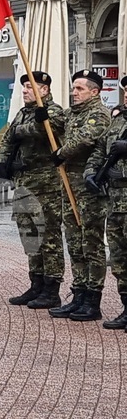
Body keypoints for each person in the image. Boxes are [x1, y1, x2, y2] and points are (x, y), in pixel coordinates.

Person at [0, 71, 67, 310]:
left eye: (29, 87)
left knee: (48, 236)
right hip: (23, 181)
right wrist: (2, 162)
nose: (24, 90)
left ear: (43, 90)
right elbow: (8, 139)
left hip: (45, 182)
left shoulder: (52, 111)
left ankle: (51, 288)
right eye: (24, 86)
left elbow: (45, 129)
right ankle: (35, 284)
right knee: (30, 236)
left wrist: (23, 129)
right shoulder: (22, 113)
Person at [47, 69, 113, 321]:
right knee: (74, 242)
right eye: (73, 88)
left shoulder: (98, 114)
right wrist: (45, 111)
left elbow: (83, 140)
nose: (74, 93)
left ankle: (92, 300)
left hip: (89, 188)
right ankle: (78, 294)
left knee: (91, 243)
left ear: (94, 92)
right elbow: (53, 124)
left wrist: (62, 152)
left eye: (79, 89)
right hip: (69, 185)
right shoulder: (73, 113)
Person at [87, 107, 127, 329]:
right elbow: (100, 149)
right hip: (116, 202)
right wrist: (91, 173)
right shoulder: (118, 120)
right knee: (120, 259)